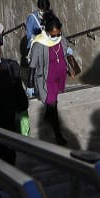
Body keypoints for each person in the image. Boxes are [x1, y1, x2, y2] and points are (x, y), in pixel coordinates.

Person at [29, 13, 73, 145]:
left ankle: (47, 115)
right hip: (46, 79)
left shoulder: (61, 38)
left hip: (60, 75)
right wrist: (30, 83)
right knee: (53, 104)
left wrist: (68, 50)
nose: (56, 37)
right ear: (47, 32)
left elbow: (64, 50)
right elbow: (33, 65)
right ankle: (58, 134)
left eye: (58, 34)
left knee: (53, 101)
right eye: (53, 35)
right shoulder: (39, 44)